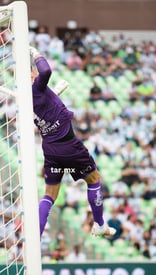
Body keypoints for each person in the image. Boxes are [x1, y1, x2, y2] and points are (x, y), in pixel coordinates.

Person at [29, 46, 115, 238]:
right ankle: (100, 225)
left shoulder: (26, 99)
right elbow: (46, 70)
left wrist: (54, 95)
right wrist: (35, 52)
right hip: (68, 146)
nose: (34, 72)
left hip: (51, 150)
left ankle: (36, 237)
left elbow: (44, 107)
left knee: (50, 194)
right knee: (94, 180)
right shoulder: (36, 87)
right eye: (31, 71)